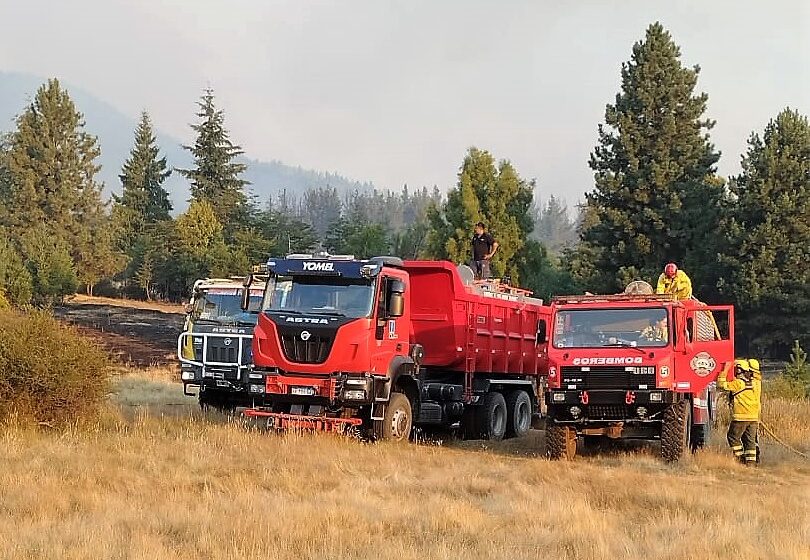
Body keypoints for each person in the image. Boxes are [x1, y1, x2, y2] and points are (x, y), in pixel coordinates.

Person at [717, 358, 762, 466]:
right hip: (753, 418)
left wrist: (725, 370)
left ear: (738, 370)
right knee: (750, 441)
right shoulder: (756, 383)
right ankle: (751, 464)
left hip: (740, 417)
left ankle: (740, 459)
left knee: (733, 437)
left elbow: (721, 385)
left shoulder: (738, 384)